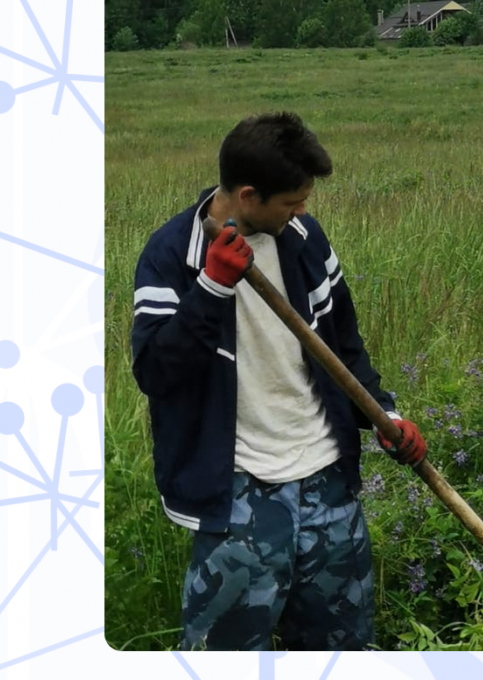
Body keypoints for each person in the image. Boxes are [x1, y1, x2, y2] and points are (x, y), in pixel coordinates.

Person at [129, 111, 426, 651]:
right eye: (291, 202)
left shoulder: (305, 239)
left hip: (327, 480)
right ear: (248, 196)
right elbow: (156, 372)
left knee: (343, 649)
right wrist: (213, 287)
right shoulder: (172, 255)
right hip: (240, 490)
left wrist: (386, 413)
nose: (301, 212)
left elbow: (344, 346)